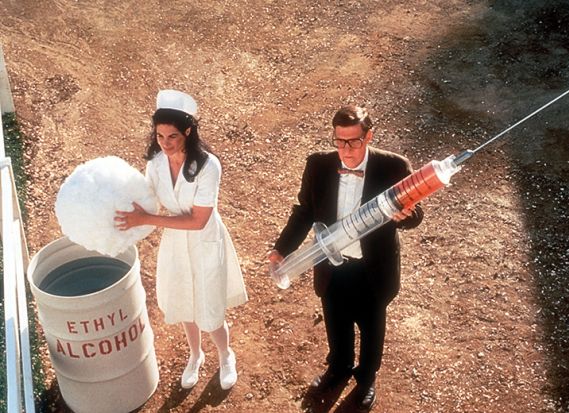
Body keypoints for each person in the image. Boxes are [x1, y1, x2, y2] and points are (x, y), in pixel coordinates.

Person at [267, 105, 423, 411]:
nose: (346, 150)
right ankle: (338, 368)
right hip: (331, 265)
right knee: (336, 323)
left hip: (373, 268)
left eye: (353, 141)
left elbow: (416, 214)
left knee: (371, 326)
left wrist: (405, 216)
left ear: (369, 136)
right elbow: (304, 212)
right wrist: (281, 248)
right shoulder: (318, 165)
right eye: (340, 141)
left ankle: (366, 379)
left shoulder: (394, 166)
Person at [115, 89, 248, 390]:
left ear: (188, 131)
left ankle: (226, 355)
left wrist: (146, 220)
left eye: (172, 136)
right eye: (160, 136)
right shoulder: (155, 164)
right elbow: (145, 200)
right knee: (184, 300)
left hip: (204, 240)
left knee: (209, 306)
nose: (165, 143)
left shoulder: (208, 166)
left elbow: (198, 220)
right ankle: (195, 355)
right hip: (175, 241)